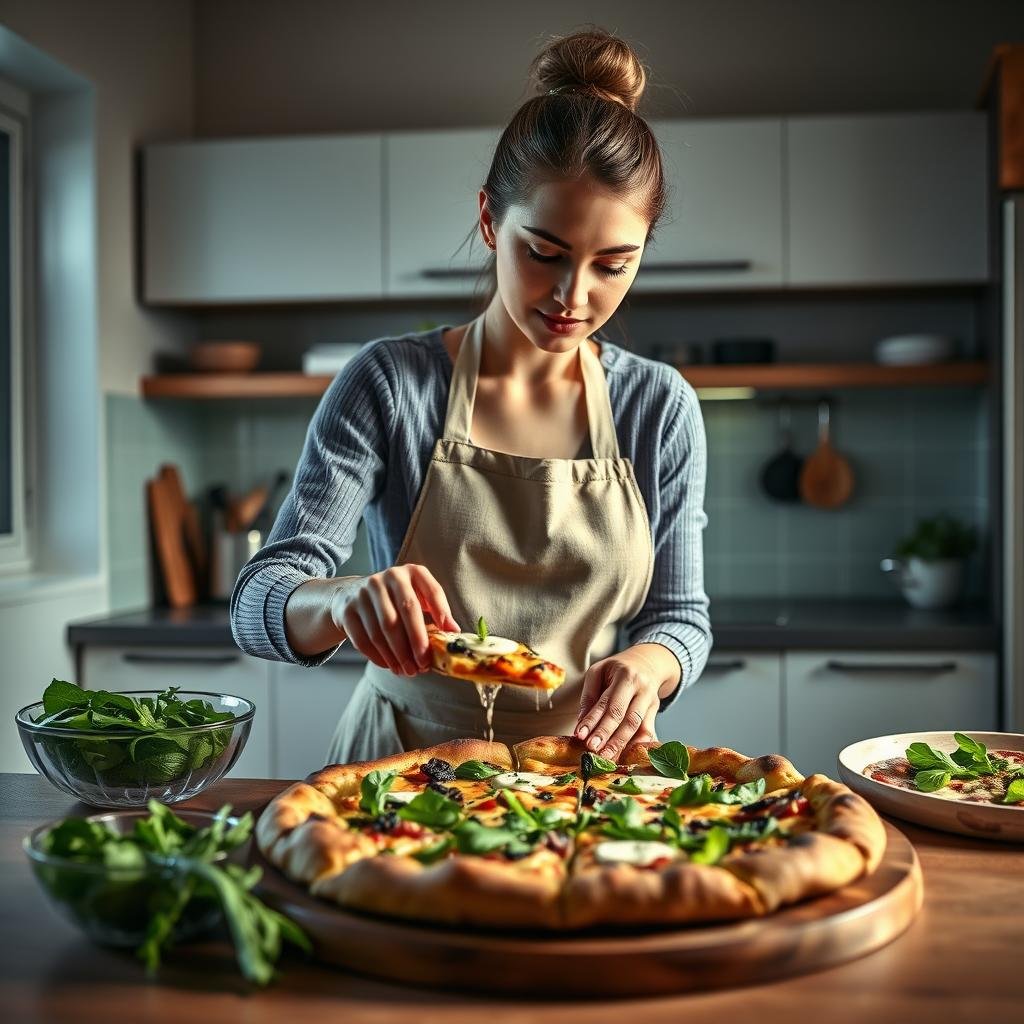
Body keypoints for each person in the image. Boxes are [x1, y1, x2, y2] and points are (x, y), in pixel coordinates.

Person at [230, 27, 712, 766]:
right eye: (544, 253)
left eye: (614, 264)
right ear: (491, 220)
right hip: (398, 770)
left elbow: (679, 616)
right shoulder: (391, 385)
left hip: (584, 776)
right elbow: (260, 600)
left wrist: (653, 665)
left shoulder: (659, 406)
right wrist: (338, 601)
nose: (572, 297)